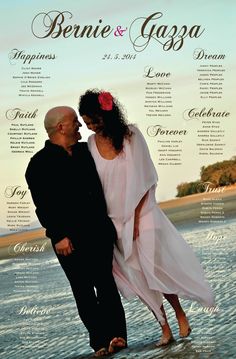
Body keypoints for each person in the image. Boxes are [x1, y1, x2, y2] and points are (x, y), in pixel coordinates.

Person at [78, 90, 215, 347]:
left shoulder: (131, 135)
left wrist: (138, 219)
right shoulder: (91, 145)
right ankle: (164, 327)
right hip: (115, 221)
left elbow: (146, 176)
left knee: (155, 269)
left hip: (145, 212)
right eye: (86, 122)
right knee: (138, 278)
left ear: (105, 114)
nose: (90, 127)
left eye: (93, 120)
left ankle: (179, 313)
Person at [25, 106, 127, 357]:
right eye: (75, 122)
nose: (80, 126)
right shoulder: (38, 164)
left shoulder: (87, 152)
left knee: (105, 285)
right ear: (60, 127)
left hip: (99, 233)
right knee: (83, 291)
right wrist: (58, 235)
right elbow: (43, 205)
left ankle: (118, 336)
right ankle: (100, 342)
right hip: (67, 240)